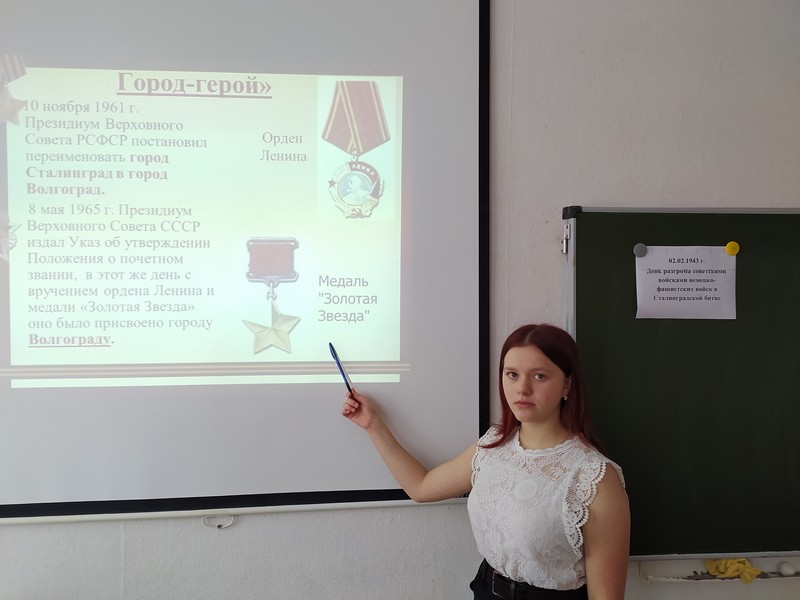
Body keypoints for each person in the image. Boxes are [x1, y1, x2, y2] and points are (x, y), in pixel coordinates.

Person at [341, 323, 630, 600]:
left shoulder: (594, 477)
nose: (522, 388)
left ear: (567, 384)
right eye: (512, 374)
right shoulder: (493, 445)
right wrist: (373, 426)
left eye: (539, 376)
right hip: (486, 590)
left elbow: (605, 596)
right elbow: (421, 487)